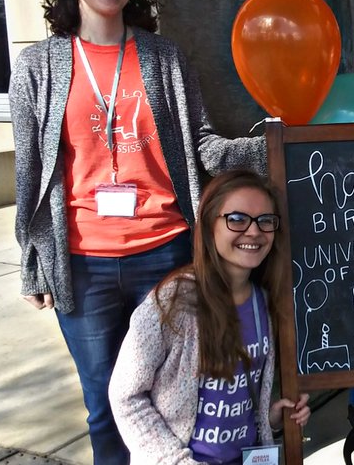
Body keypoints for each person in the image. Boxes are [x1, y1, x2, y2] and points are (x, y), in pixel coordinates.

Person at [9, 0, 265, 465]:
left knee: (179, 398)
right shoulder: (37, 67)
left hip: (168, 255)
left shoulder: (162, 58)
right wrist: (33, 259)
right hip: (84, 265)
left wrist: (268, 147)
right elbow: (29, 173)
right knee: (107, 405)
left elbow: (202, 146)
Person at [109, 169, 311, 464]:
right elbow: (126, 396)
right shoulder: (172, 302)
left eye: (265, 221)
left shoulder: (263, 304)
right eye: (237, 219)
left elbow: (238, 398)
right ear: (208, 225)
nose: (254, 231)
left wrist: (270, 419)